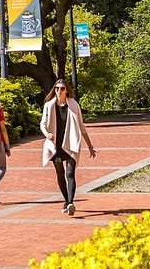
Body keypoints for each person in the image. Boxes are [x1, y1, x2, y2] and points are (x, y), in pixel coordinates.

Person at [40, 79, 95, 217]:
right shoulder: (49, 105)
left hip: (71, 143)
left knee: (70, 174)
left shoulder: (73, 105)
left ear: (67, 90)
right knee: (60, 174)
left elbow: (81, 126)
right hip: (55, 144)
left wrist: (90, 145)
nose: (59, 91)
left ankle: (70, 203)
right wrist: (47, 134)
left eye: (62, 88)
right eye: (57, 88)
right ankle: (66, 201)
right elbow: (43, 124)